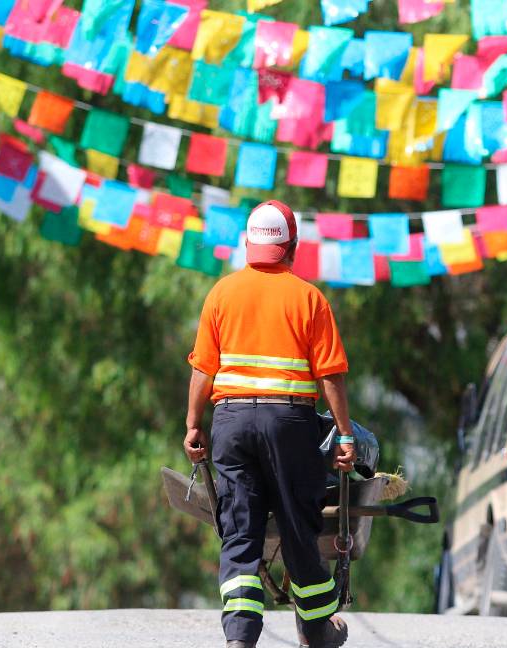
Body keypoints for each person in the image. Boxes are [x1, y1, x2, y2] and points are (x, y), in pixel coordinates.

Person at [185, 200, 355, 648]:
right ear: (291, 247)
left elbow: (203, 369)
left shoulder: (222, 294)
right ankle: (318, 628)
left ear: (248, 245)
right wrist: (346, 433)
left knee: (240, 530)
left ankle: (240, 637)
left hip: (231, 423)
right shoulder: (308, 298)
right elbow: (330, 375)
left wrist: (192, 425)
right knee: (299, 527)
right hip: (289, 422)